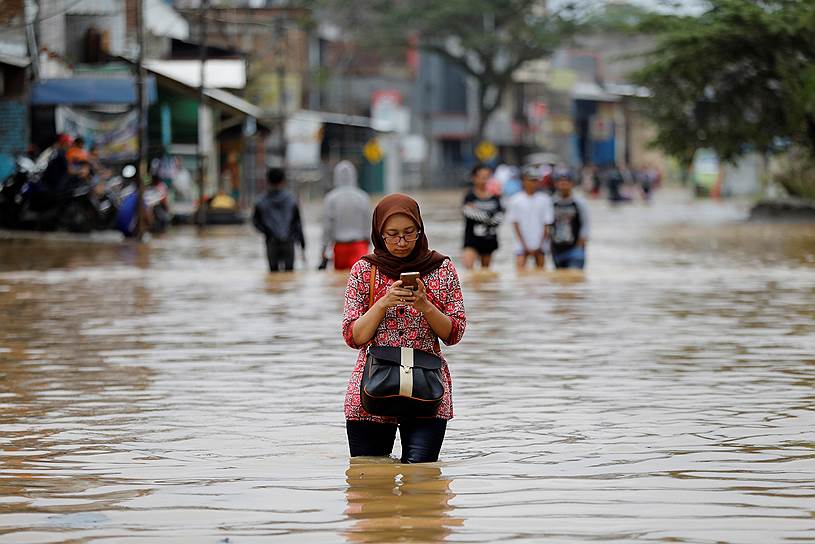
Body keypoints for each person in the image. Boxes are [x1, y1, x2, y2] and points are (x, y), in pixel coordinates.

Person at [341, 194, 467, 463]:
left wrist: (425, 305)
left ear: (420, 230)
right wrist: (383, 303)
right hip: (372, 385)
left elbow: (453, 333)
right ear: (379, 233)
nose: (401, 242)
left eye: (410, 233)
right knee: (370, 482)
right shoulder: (365, 270)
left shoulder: (441, 268)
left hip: (427, 386)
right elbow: (353, 336)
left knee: (422, 482)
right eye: (392, 234)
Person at [252, 167, 306, 272]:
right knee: (289, 276)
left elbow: (255, 222)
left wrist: (267, 232)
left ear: (267, 181)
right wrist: (302, 246)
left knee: (273, 274)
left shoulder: (260, 201)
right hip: (288, 242)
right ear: (283, 181)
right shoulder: (292, 200)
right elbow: (298, 224)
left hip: (271, 242)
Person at [322, 161, 371, 270]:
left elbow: (328, 225)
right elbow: (368, 222)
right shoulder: (363, 197)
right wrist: (369, 242)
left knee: (340, 283)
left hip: (340, 247)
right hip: (360, 245)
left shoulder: (331, 198)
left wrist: (324, 248)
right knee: (360, 281)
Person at [506, 167, 554, 269]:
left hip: (540, 244)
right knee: (520, 274)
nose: (533, 183)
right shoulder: (515, 200)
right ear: (524, 181)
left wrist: (540, 244)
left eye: (536, 180)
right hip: (521, 244)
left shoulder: (545, 199)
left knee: (541, 275)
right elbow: (515, 224)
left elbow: (547, 224)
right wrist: (524, 245)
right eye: (531, 180)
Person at [461, 164, 503, 270]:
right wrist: (489, 216)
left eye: (487, 177)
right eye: (482, 177)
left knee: (485, 272)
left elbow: (499, 218)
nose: (484, 180)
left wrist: (478, 213)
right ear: (474, 178)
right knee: (469, 270)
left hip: (489, 239)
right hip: (471, 240)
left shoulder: (494, 197)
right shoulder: (469, 196)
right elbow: (467, 212)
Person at [550, 169, 590, 270]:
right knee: (560, 281)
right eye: (560, 181)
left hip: (575, 250)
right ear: (556, 183)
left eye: (566, 181)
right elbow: (547, 225)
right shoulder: (551, 203)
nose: (563, 184)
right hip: (557, 250)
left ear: (572, 183)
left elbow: (585, 225)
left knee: (573, 279)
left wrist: (580, 246)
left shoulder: (579, 203)